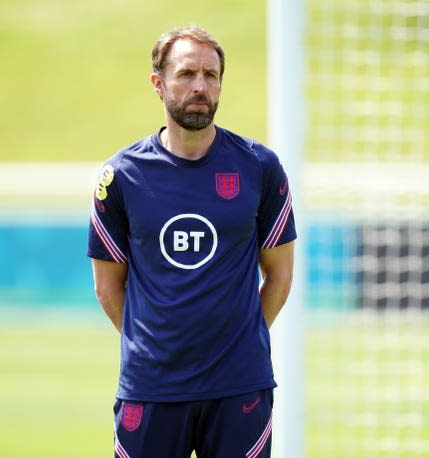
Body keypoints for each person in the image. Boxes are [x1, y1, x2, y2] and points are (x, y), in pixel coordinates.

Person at [87, 24, 296, 458]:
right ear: (158, 84)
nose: (200, 86)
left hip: (240, 388)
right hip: (150, 389)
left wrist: (237, 341)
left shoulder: (260, 167)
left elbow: (279, 275)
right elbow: (108, 288)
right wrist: (157, 350)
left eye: (210, 75)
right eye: (186, 74)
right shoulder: (120, 177)